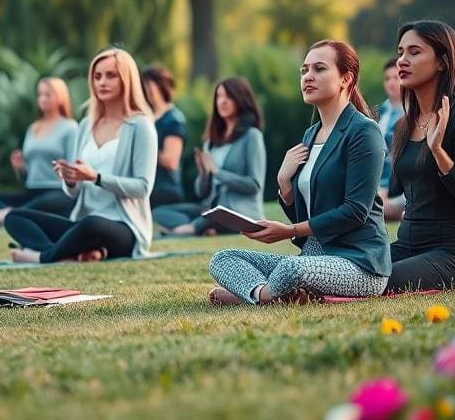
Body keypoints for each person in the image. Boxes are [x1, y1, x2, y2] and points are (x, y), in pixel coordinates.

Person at [207, 40, 391, 305]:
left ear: (345, 79)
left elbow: (356, 211)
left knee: (291, 270)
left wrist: (288, 230)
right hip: (314, 256)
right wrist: (284, 183)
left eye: (319, 69)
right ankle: (264, 294)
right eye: (304, 70)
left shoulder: (364, 132)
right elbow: (306, 214)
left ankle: (259, 296)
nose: (308, 76)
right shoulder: (310, 134)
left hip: (358, 261)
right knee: (223, 258)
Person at [4, 48, 158, 263]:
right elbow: (73, 194)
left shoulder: (140, 126)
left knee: (92, 224)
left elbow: (142, 188)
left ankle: (42, 256)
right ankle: (71, 253)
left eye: (110, 75)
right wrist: (70, 179)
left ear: (127, 80)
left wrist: (96, 177)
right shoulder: (86, 125)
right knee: (14, 217)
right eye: (97, 76)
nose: (102, 82)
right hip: (82, 223)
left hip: (123, 227)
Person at [385, 20, 455, 294]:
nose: (402, 61)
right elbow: (395, 193)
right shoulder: (403, 126)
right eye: (400, 52)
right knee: (350, 270)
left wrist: (438, 152)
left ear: (442, 62)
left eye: (414, 52)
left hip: (453, 252)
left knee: (376, 280)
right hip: (407, 245)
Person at [153, 77, 265, 236]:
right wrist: (205, 174)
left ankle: (192, 229)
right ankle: (204, 227)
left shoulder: (252, 136)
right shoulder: (211, 142)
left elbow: (254, 185)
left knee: (215, 215)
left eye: (228, 97)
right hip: (210, 210)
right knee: (160, 212)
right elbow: (201, 192)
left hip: (238, 212)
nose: (222, 101)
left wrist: (217, 172)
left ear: (241, 100)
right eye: (219, 97)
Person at [0, 78, 78, 225]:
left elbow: (73, 171)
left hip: (56, 191)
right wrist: (19, 168)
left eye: (48, 94)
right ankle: (14, 212)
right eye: (40, 94)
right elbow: (27, 176)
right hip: (32, 191)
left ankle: (10, 213)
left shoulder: (70, 128)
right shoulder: (33, 128)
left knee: (51, 201)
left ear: (60, 97)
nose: (42, 99)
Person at [142, 65, 188, 208]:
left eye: (149, 84)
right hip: (145, 189)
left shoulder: (174, 118)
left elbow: (170, 161)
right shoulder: (145, 117)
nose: (146, 89)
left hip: (165, 192)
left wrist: (142, 150)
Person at [377, 58, 406, 221]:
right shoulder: (381, 112)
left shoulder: (414, 112)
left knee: (374, 208)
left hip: (402, 188)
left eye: (396, 77)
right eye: (387, 79)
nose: (391, 83)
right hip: (379, 185)